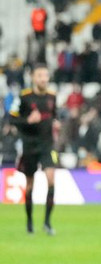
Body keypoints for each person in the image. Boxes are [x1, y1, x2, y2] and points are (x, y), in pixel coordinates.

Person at [9, 64, 58, 235]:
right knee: (30, 185)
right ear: (33, 78)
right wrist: (28, 121)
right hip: (30, 145)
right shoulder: (24, 97)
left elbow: (54, 115)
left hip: (47, 145)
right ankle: (30, 222)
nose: (43, 78)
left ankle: (47, 223)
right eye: (40, 75)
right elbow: (11, 119)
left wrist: (55, 124)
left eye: (45, 75)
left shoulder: (52, 96)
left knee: (51, 179)